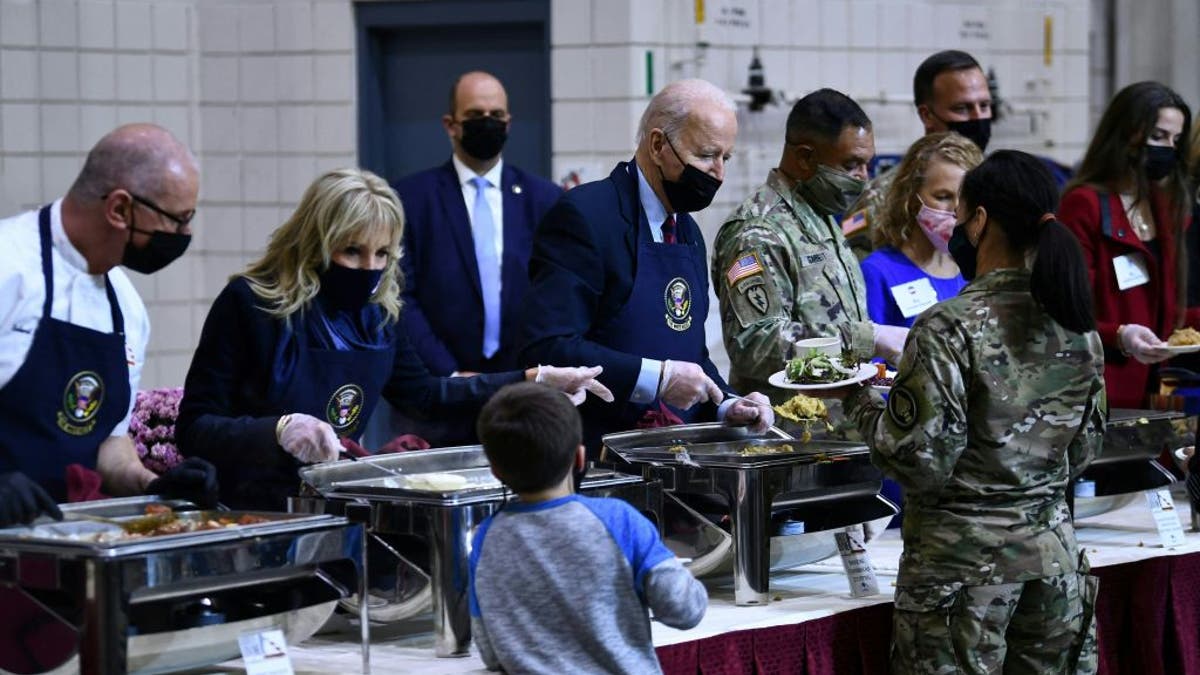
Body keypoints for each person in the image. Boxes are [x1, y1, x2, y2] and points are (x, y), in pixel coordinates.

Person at [177, 168, 611, 510]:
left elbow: (426, 395)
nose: (369, 266)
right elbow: (195, 428)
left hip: (330, 504)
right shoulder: (250, 304)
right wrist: (278, 429)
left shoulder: (380, 313)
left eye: (382, 254)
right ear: (314, 243)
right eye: (352, 251)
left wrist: (532, 380)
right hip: (252, 508)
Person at [839, 151, 1104, 674]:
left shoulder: (948, 327)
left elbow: (919, 458)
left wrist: (856, 397)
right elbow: (1084, 449)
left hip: (962, 577)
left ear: (979, 222)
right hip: (1055, 569)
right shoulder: (1078, 327)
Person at [519, 79, 773, 452]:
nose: (718, 173)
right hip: (598, 454)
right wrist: (657, 378)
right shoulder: (586, 217)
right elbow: (549, 346)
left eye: (726, 158)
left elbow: (692, 354)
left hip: (672, 457)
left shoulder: (685, 228)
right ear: (657, 145)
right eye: (706, 155)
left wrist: (728, 404)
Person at [0, 123, 218, 527]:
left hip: (65, 547)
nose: (185, 235)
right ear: (119, 209)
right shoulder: (8, 268)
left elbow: (108, 445)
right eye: (178, 220)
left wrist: (154, 486)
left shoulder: (127, 308)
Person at [469, 381, 706, 674]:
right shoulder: (620, 520)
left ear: (495, 472)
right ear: (580, 458)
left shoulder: (486, 538)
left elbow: (491, 653)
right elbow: (684, 610)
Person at [712, 88, 907, 400]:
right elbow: (754, 344)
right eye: (851, 165)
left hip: (840, 430)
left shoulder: (820, 213)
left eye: (866, 164)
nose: (863, 178)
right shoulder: (759, 230)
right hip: (792, 435)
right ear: (804, 157)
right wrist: (866, 339)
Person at [394, 72, 562, 376]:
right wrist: (449, 373)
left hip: (522, 382)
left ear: (508, 123)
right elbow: (401, 296)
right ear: (451, 125)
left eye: (496, 115)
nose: (487, 122)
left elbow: (555, 292)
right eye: (474, 114)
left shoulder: (544, 199)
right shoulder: (411, 199)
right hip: (436, 387)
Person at [1060, 81, 1194, 408]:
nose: (1168, 149)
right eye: (1158, 137)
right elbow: (1065, 308)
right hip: (1098, 383)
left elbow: (1167, 313)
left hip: (1156, 381)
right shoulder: (1085, 204)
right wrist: (1119, 335)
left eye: (1176, 141)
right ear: (1127, 135)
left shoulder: (1164, 205)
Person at [845, 50, 993, 257]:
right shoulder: (883, 197)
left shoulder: (1001, 185)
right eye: (962, 108)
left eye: (984, 106)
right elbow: (858, 274)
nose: (978, 117)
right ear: (927, 115)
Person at [860, 132, 981, 328]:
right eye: (943, 197)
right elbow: (869, 355)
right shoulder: (878, 272)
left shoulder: (973, 268)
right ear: (912, 199)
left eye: (965, 198)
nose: (956, 210)